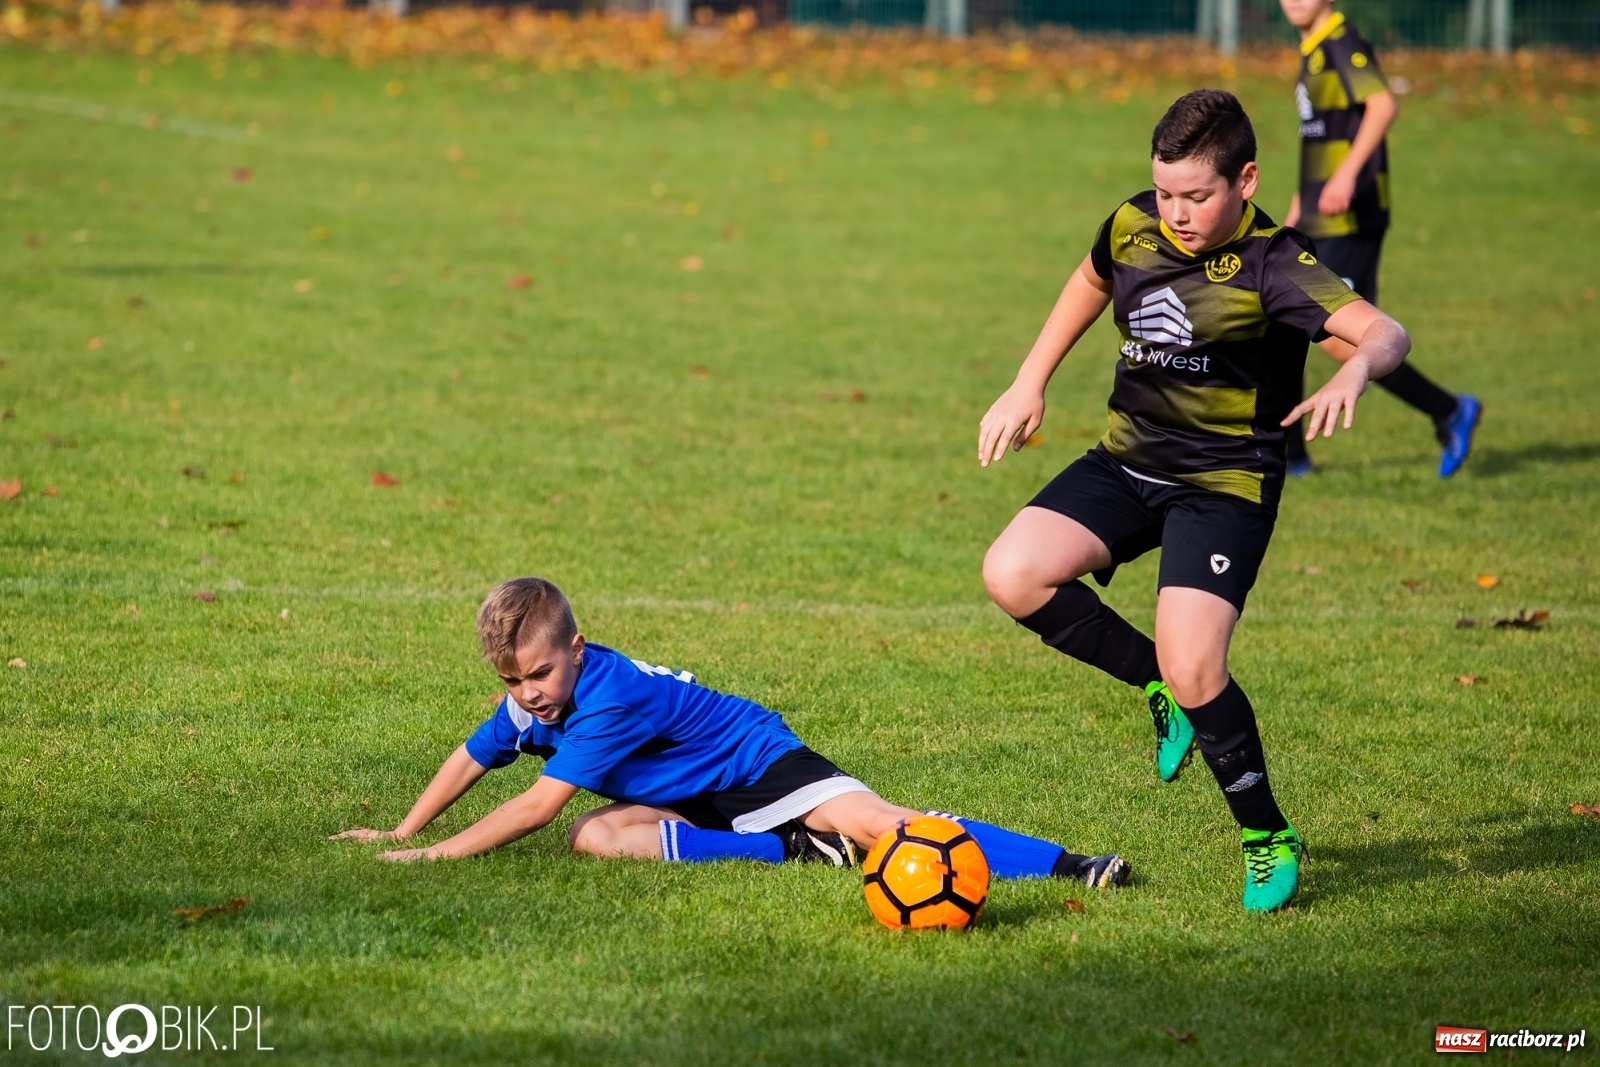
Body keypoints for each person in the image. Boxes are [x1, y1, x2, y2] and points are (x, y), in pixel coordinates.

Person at [976, 89, 1411, 911]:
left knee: (1197, 659)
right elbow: (1088, 278)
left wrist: (1354, 365)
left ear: (1245, 181)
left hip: (1222, 484)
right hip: (1128, 459)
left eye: (1197, 196)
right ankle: (1155, 689)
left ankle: (1264, 830)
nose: (1174, 212)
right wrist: (1027, 382)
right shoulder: (1133, 223)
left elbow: (1386, 331)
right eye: (1165, 191)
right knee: (1013, 571)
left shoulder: (1275, 263)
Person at [332, 576, 1130, 890]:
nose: (528, 694)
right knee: (598, 836)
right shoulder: (531, 702)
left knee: (885, 828)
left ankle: (1073, 865)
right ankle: (790, 850)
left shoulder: (606, 697)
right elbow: (471, 759)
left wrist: (430, 856)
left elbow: (531, 807)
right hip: (695, 797)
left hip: (754, 759)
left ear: (576, 648)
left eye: (540, 674)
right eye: (513, 679)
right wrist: (400, 828)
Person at [1280, 0, 1481, 478]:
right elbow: (1319, 141)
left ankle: (1448, 409)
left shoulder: (1342, 42)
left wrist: (1347, 176)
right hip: (1318, 216)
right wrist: (1293, 217)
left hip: (1352, 216)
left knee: (1336, 335)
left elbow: (1383, 105)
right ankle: (1291, 458)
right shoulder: (1312, 50)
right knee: (1285, 321)